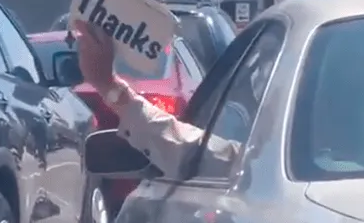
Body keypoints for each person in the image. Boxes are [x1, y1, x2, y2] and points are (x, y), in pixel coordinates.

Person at [73, 20, 240, 179]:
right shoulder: (255, 168)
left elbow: (191, 153)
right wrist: (109, 86)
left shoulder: (250, 168)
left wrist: (109, 85)